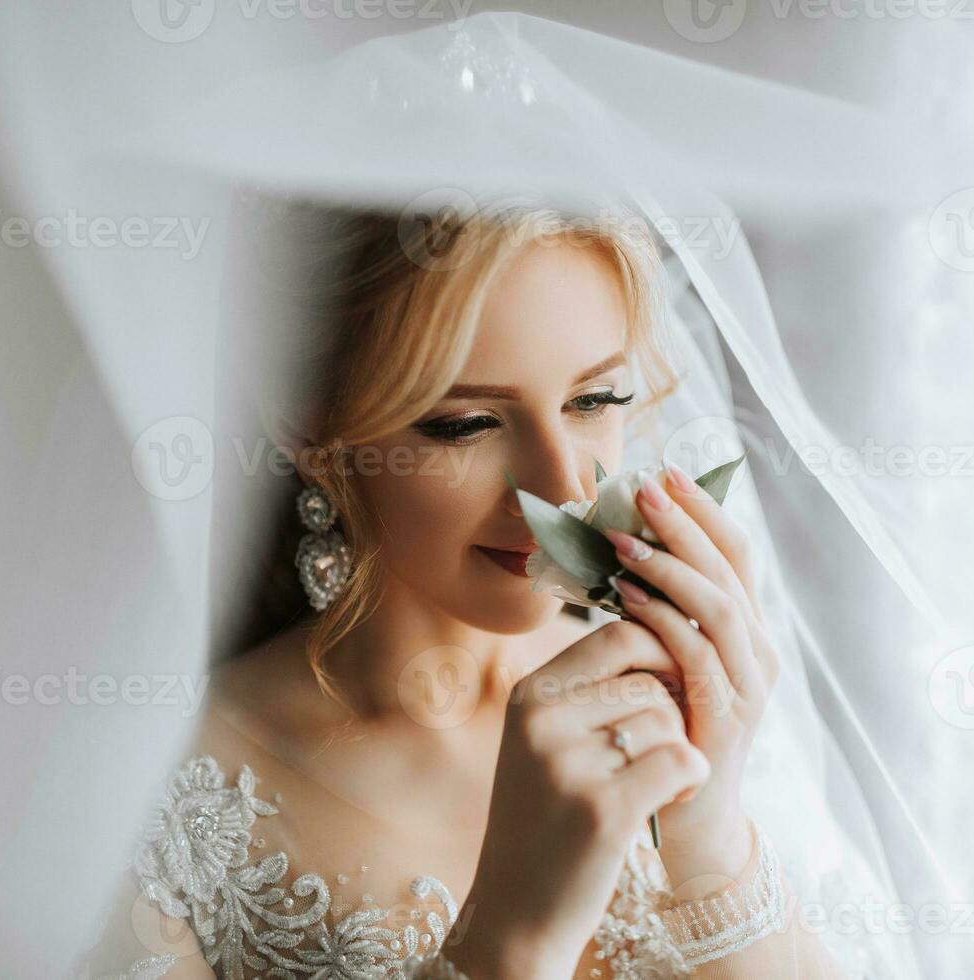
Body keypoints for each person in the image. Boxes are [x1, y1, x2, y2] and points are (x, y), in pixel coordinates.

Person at [104, 203, 848, 979]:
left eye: (593, 401)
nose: (562, 487)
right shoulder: (160, 803)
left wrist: (710, 839)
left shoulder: (686, 703)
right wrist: (510, 939)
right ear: (311, 430)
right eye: (465, 425)